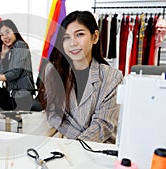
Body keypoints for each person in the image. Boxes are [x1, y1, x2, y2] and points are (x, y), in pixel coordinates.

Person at [39, 11, 123, 143]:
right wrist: (74, 140)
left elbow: (103, 124)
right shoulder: (53, 71)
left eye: (79, 34)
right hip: (65, 140)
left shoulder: (111, 77)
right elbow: (53, 114)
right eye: (66, 37)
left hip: (99, 145)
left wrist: (78, 144)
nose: (72, 43)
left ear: (95, 37)